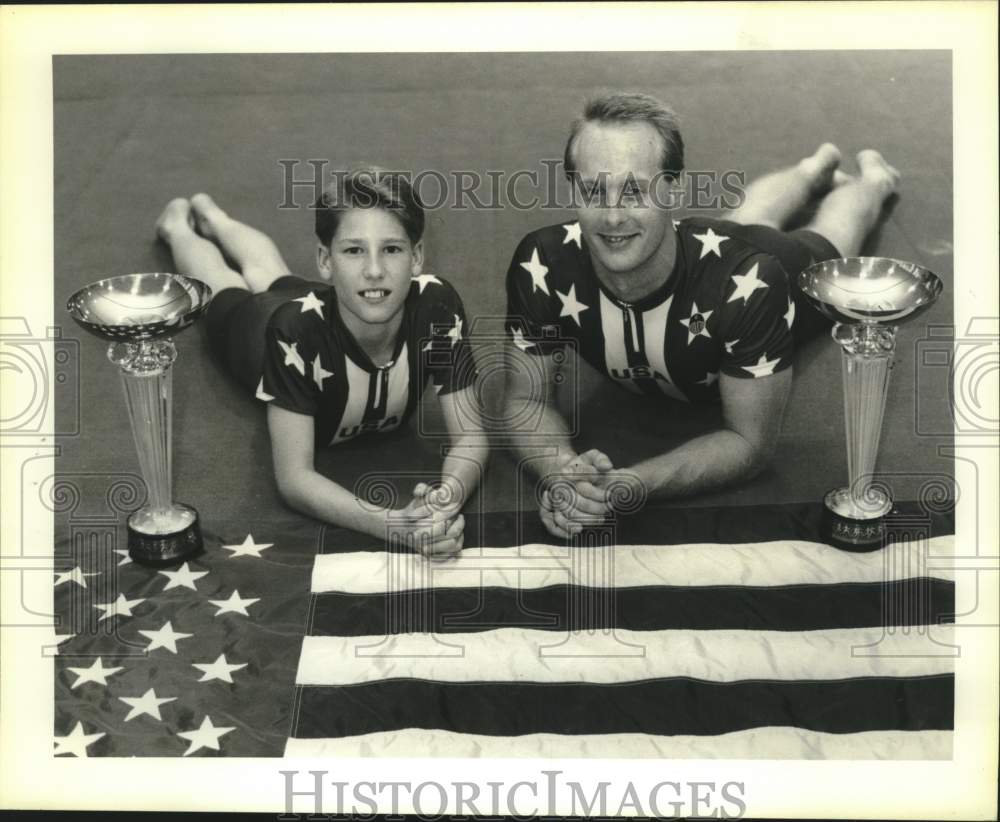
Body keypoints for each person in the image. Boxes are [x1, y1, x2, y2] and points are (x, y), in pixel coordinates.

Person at [503, 92, 900, 538]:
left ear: (673, 189)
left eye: (635, 190)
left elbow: (749, 444)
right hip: (697, 248)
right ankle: (810, 170)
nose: (613, 215)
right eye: (595, 190)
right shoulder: (541, 263)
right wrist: (562, 473)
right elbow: (524, 401)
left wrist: (627, 484)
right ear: (574, 189)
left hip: (749, 264)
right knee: (746, 216)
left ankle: (873, 181)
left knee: (829, 237)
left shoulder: (750, 283)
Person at [155, 169, 488, 557]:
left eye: (392, 249)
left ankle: (218, 219)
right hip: (261, 330)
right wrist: (393, 524)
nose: (375, 269)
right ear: (325, 261)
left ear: (417, 257)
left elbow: (472, 435)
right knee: (224, 282)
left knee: (274, 275)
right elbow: (295, 479)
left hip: (340, 302)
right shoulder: (294, 331)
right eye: (354, 250)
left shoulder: (437, 306)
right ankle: (179, 227)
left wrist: (446, 499)